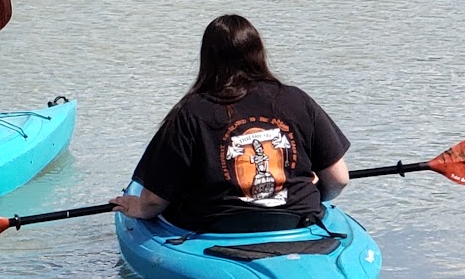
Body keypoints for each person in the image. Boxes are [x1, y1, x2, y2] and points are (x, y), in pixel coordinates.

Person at [114, 14, 350, 233]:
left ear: (208, 59)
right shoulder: (297, 100)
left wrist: (139, 208)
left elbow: (154, 200)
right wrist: (314, 195)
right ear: (258, 53)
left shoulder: (190, 112)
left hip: (219, 228)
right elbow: (338, 179)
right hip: (297, 221)